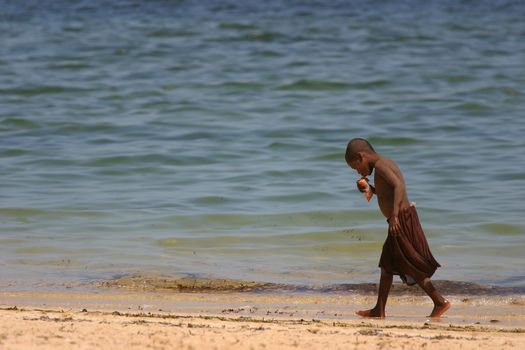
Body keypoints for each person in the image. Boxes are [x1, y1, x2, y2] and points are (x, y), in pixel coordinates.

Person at [345, 138, 451, 318]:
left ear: (360, 156)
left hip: (401, 220)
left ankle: (440, 301)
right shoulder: (381, 166)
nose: (359, 171)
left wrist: (394, 216)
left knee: (411, 264)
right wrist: (369, 189)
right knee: (387, 266)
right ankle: (380, 309)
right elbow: (387, 192)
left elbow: (399, 186)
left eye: (356, 167)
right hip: (398, 220)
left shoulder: (380, 165)